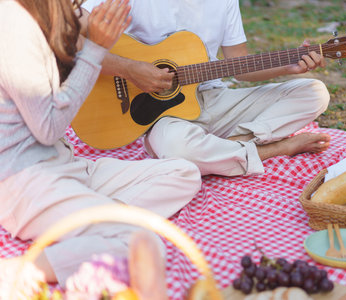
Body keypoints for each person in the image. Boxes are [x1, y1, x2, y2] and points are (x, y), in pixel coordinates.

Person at [0, 0, 201, 293]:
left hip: (65, 165)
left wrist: (103, 22)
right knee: (142, 245)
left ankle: (97, 217)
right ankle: (24, 268)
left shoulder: (46, 10)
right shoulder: (14, 27)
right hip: (26, 181)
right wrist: (95, 50)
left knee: (183, 173)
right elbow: (48, 128)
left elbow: (82, 21)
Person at [80, 0, 331, 177]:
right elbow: (69, 39)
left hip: (213, 97)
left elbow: (241, 68)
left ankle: (231, 146)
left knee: (314, 93)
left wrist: (287, 67)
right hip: (164, 116)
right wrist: (129, 69)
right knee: (177, 148)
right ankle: (274, 148)